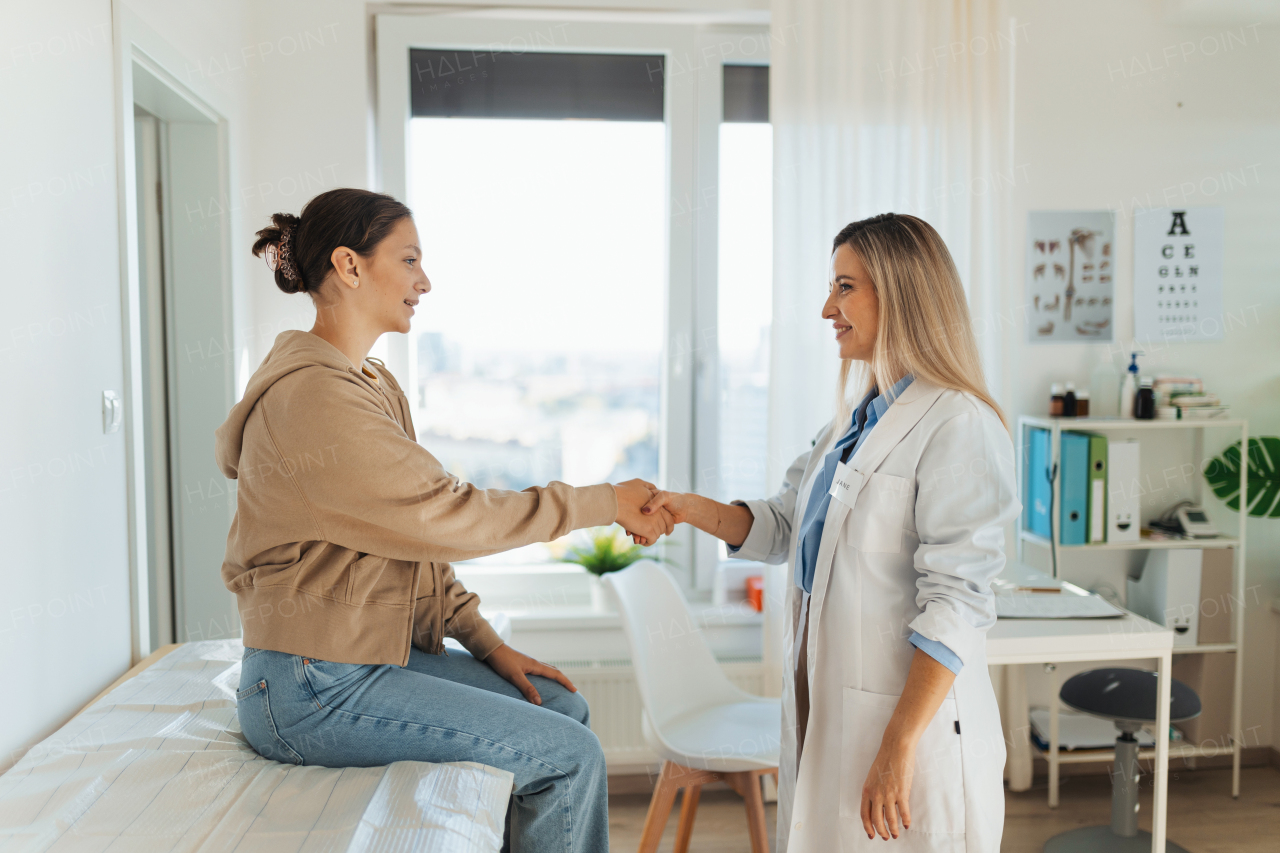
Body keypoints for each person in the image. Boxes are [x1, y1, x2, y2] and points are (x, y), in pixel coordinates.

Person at [215, 188, 673, 853]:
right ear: (349, 265)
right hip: (308, 684)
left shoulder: (369, 382)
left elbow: (415, 542)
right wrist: (602, 501)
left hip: (361, 662)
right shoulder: (313, 397)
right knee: (571, 754)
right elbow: (449, 515)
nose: (423, 281)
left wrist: (488, 643)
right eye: (408, 260)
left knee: (562, 707)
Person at [639, 213, 1019, 852]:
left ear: (898, 293)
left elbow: (956, 603)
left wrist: (899, 745)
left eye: (845, 287)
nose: (827, 308)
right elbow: (785, 525)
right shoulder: (853, 422)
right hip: (829, 712)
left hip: (908, 734)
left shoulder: (958, 424)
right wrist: (686, 507)